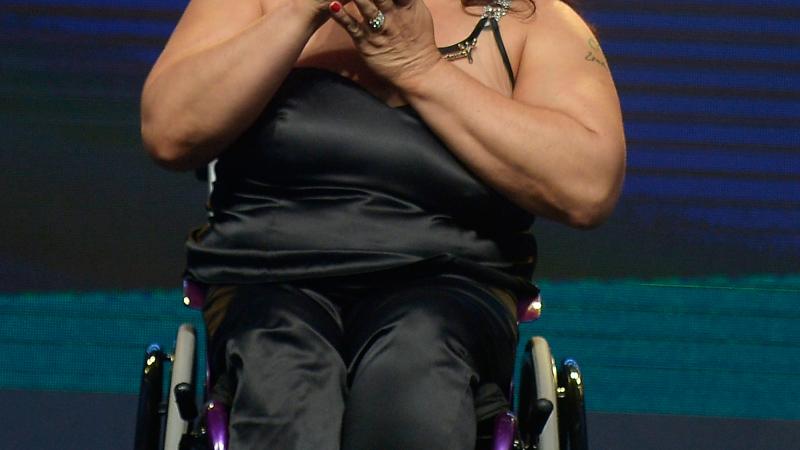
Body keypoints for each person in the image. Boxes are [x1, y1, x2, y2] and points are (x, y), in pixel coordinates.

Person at [140, 0, 625, 447]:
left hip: (448, 285)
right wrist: (300, 12)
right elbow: (170, 132)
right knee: (285, 369)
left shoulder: (531, 21)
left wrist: (421, 69)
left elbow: (588, 188)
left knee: (416, 364)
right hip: (269, 274)